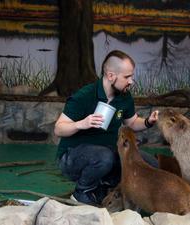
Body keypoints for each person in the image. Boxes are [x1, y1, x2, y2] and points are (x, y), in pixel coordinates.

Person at [54, 50, 159, 205]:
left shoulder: (124, 97)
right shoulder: (85, 95)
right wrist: (81, 124)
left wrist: (148, 121)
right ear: (111, 76)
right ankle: (82, 192)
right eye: (127, 77)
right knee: (105, 157)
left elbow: (132, 122)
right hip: (71, 158)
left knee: (150, 163)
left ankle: (105, 187)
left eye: (131, 76)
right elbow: (58, 128)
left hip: (105, 154)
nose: (131, 81)